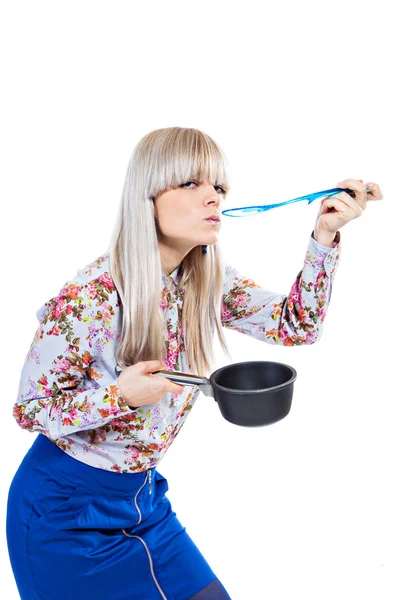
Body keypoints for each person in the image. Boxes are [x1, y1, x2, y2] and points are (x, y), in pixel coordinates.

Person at [6, 126, 383, 600]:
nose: (213, 198)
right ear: (148, 196)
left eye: (219, 187)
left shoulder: (204, 279)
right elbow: (30, 409)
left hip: (143, 502)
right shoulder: (92, 296)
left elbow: (298, 325)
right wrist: (120, 397)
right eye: (191, 183)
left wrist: (324, 235)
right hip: (61, 515)